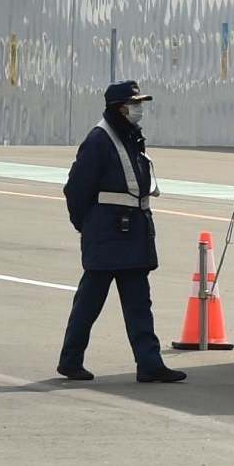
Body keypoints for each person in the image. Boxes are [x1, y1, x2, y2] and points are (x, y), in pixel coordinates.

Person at [57, 80, 186, 383]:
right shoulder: (99, 140)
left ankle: (149, 363)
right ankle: (70, 360)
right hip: (107, 232)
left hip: (133, 232)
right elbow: (75, 190)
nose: (138, 109)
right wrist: (87, 226)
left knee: (139, 301)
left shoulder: (129, 136)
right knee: (90, 302)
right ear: (119, 107)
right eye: (134, 104)